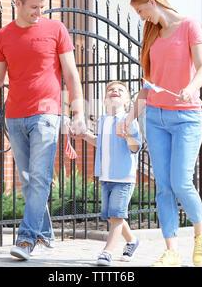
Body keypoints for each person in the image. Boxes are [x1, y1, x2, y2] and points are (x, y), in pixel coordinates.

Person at [0, 0, 86, 261]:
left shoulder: (56, 29)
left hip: (47, 113)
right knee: (27, 180)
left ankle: (25, 240)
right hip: (15, 116)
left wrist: (78, 111)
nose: (39, 12)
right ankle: (44, 233)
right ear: (18, 3)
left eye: (42, 7)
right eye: (34, 7)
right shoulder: (3, 36)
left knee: (39, 179)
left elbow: (71, 74)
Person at [117, 0, 202, 267]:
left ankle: (200, 233)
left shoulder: (190, 26)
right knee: (163, 188)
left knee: (181, 181)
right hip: (156, 118)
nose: (141, 17)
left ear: (153, 1)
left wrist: (191, 86)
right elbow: (149, 84)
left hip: (186, 117)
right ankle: (172, 251)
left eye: (141, 10)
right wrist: (129, 116)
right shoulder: (152, 35)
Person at [76, 81, 142, 266]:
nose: (115, 91)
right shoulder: (104, 121)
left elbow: (136, 147)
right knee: (113, 215)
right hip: (106, 177)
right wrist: (84, 135)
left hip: (123, 177)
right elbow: (101, 143)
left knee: (117, 216)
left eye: (120, 90)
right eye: (111, 90)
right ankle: (132, 241)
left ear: (127, 102)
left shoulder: (129, 121)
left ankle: (107, 252)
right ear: (105, 100)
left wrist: (127, 135)